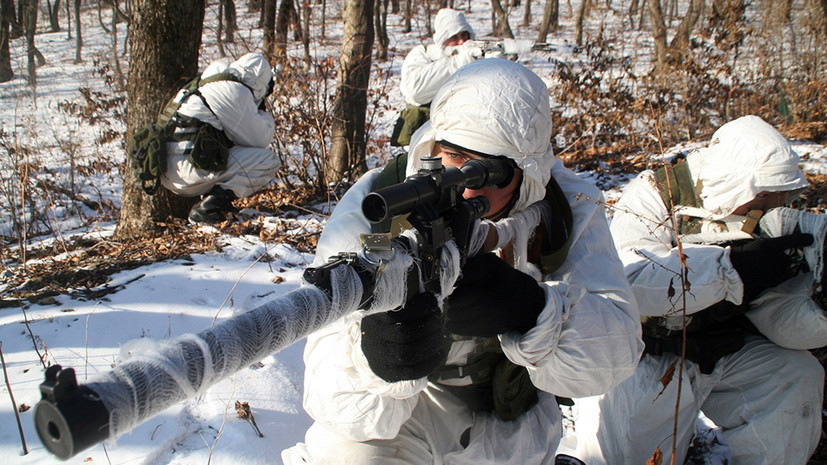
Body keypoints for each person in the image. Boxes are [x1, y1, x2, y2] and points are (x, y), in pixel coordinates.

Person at [282, 59, 643, 464]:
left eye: (492, 172)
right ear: (432, 147)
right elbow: (327, 394)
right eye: (453, 155)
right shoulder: (380, 204)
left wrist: (532, 309)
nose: (470, 191)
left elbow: (620, 352)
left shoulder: (566, 208)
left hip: (508, 417)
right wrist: (382, 360)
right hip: (403, 419)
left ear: (529, 174)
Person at [560, 115, 826, 465]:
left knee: (795, 376)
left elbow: (779, 318)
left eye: (779, 194)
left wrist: (819, 306)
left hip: (726, 347)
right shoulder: (657, 194)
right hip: (648, 355)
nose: (773, 203)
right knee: (623, 457)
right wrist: (731, 269)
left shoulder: (769, 215)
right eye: (764, 194)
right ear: (739, 184)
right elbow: (632, 280)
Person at [160, 52, 280, 225]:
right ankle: (207, 209)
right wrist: (262, 112)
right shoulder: (234, 91)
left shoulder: (206, 82)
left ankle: (212, 203)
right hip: (188, 172)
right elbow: (261, 140)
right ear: (260, 82)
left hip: (169, 169)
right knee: (267, 160)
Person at [391, 8, 488, 147]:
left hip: (462, 136)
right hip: (423, 140)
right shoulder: (423, 54)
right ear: (443, 38)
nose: (461, 41)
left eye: (464, 35)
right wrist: (456, 63)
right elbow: (414, 91)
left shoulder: (472, 58)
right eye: (454, 37)